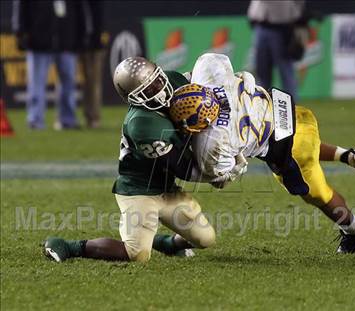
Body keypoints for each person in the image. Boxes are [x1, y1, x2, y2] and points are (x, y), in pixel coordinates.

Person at [169, 53, 355, 253]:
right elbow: (217, 59)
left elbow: (221, 178)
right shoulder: (208, 74)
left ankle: (354, 229)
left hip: (289, 148)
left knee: (318, 196)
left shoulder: (212, 141)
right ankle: (348, 155)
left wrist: (232, 161)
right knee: (302, 141)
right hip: (290, 112)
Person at [44, 57, 218, 263]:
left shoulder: (172, 81)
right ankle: (69, 246)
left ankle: (167, 244)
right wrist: (218, 173)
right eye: (149, 89)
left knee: (206, 239)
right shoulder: (142, 123)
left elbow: (206, 87)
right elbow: (181, 167)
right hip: (139, 190)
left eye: (157, 81)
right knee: (137, 254)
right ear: (135, 98)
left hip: (166, 186)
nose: (159, 89)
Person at [12, 0, 82, 129]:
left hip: (66, 41)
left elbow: (79, 9)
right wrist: (19, 32)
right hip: (39, 41)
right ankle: (35, 119)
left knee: (68, 82)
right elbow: (21, 7)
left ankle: (67, 119)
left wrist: (79, 36)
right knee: (36, 83)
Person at [248, 0, 306, 100]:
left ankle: (292, 107)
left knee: (286, 70)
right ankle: (260, 106)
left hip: (282, 28)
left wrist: (298, 18)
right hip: (260, 25)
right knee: (262, 72)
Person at [80, 0, 105, 129]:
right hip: (75, 44)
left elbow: (99, 18)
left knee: (94, 83)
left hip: (94, 45)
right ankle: (66, 118)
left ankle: (93, 117)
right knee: (66, 81)